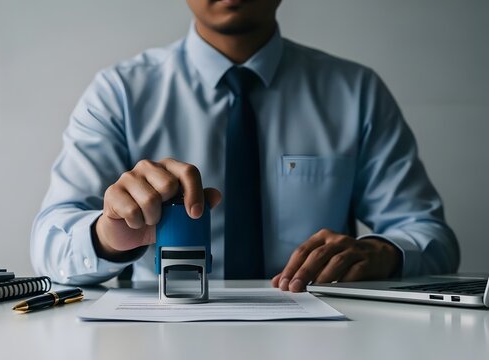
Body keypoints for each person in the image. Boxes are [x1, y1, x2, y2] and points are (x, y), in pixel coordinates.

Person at [31, 0, 459, 292]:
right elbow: (48, 243)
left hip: (323, 340)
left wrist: (384, 253)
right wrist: (107, 236)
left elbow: (432, 238)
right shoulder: (120, 93)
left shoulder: (357, 92)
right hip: (161, 336)